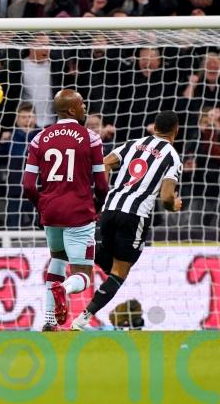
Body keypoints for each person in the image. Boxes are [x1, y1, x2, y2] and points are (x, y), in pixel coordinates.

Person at [71, 111, 183, 330]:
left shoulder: (134, 144)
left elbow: (104, 162)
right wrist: (174, 205)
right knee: (119, 272)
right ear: (176, 131)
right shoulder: (172, 156)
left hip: (110, 208)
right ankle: (81, 319)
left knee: (110, 264)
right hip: (135, 215)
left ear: (155, 127)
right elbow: (167, 197)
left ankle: (79, 245)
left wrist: (101, 195)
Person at [22, 89, 108, 331]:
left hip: (51, 213)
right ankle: (64, 289)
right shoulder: (91, 138)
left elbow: (28, 185)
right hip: (79, 212)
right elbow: (102, 185)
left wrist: (43, 205)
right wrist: (97, 206)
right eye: (81, 104)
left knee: (58, 259)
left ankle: (50, 321)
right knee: (83, 275)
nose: (84, 107)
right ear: (71, 109)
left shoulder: (39, 138)